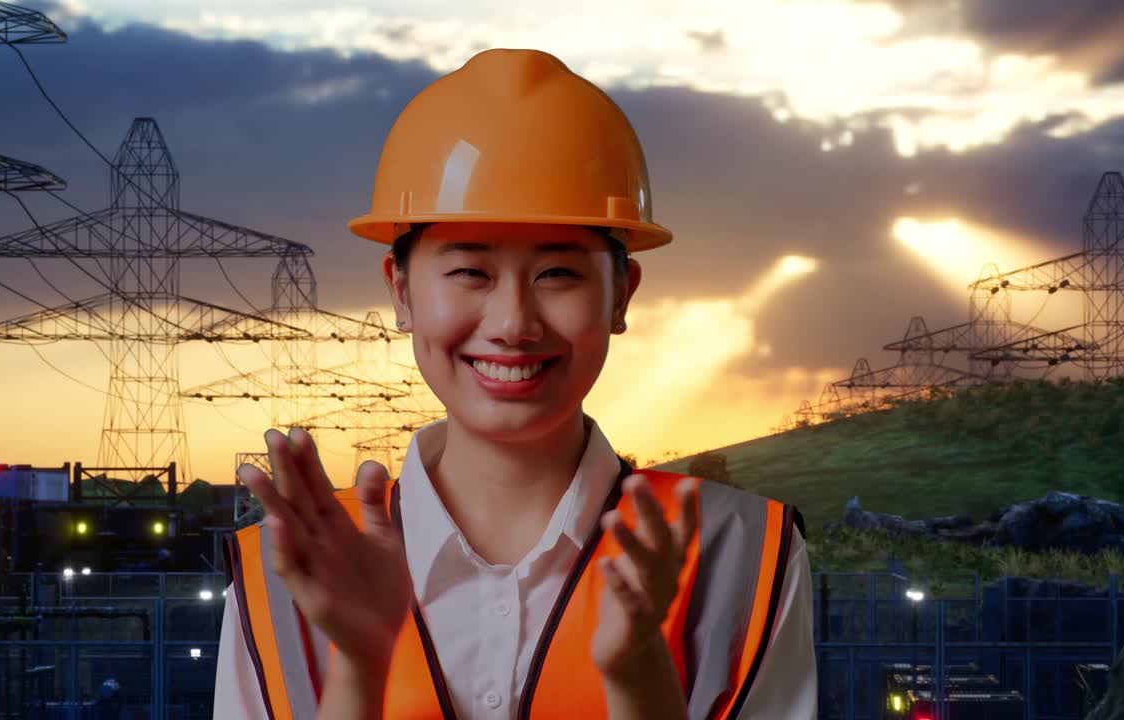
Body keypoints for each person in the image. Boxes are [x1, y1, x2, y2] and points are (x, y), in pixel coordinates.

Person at [214, 48, 817, 719]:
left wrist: (641, 676)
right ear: (400, 291)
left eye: (557, 274)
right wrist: (359, 665)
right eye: (470, 273)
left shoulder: (741, 552)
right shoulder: (290, 569)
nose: (513, 324)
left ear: (621, 294)